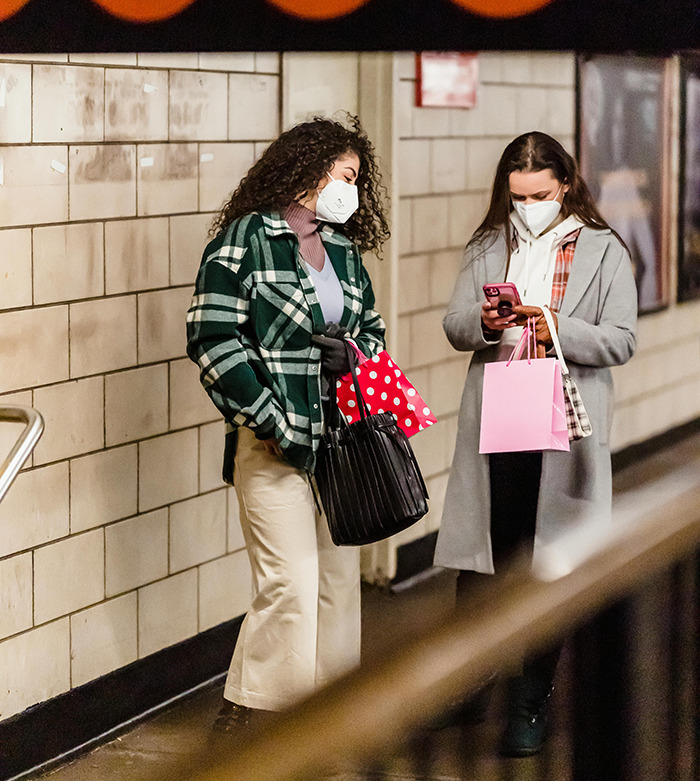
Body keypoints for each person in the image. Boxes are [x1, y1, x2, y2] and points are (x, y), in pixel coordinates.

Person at [433, 131, 638, 756]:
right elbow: (455, 323)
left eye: (539, 195)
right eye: (517, 196)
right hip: (498, 412)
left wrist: (551, 321)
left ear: (566, 186)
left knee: (545, 556)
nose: (527, 206)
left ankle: (530, 696)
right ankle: (472, 680)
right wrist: (487, 321)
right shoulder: (488, 243)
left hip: (562, 421)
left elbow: (620, 340)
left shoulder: (605, 251)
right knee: (485, 554)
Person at [186, 115, 389, 732]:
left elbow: (373, 334)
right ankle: (257, 717)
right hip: (272, 443)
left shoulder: (344, 253)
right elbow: (211, 337)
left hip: (338, 441)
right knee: (290, 585)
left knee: (336, 583)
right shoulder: (243, 241)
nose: (350, 191)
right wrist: (268, 416)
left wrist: (350, 353)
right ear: (305, 168)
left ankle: (331, 718)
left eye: (356, 180)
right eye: (344, 175)